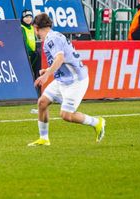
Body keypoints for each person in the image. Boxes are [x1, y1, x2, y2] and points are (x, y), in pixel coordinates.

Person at [29, 13, 105, 146]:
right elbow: (63, 61)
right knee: (42, 102)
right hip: (63, 79)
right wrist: (48, 70)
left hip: (75, 81)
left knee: (66, 115)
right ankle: (44, 139)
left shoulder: (52, 39)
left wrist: (46, 75)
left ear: (36, 28)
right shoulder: (54, 36)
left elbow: (60, 58)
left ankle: (97, 122)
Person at [20, 9, 41, 95]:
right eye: (26, 17)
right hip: (27, 54)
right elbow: (24, 42)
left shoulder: (32, 28)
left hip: (33, 53)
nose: (28, 19)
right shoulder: (22, 28)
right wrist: (31, 52)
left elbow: (36, 40)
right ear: (23, 18)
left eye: (30, 17)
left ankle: (38, 85)